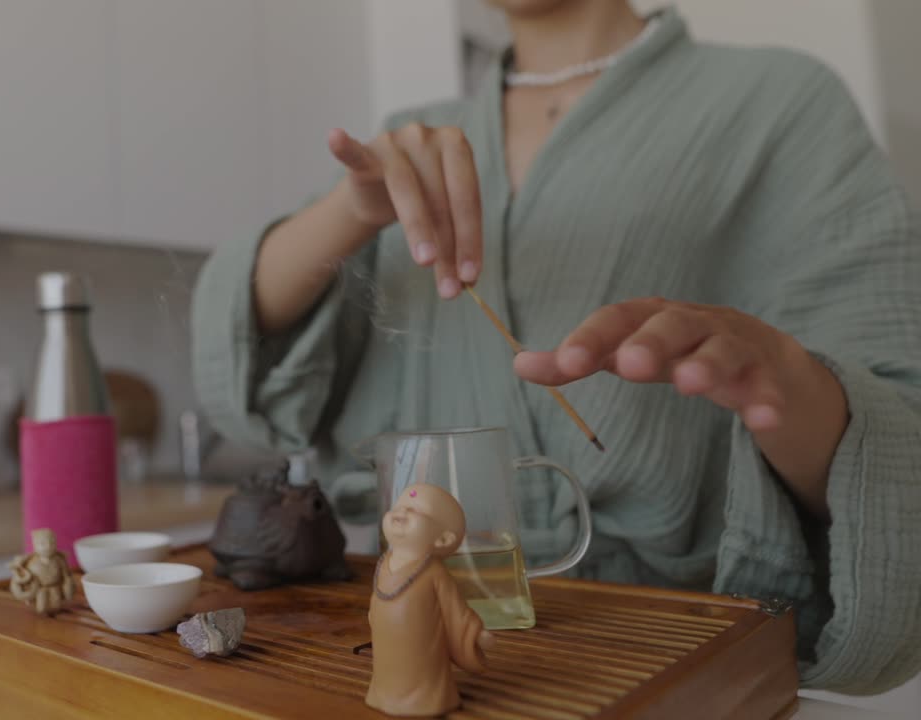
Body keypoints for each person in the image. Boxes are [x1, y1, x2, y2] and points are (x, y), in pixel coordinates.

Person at [191, 0, 921, 694]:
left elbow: (893, 425)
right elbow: (250, 363)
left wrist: (785, 388)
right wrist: (348, 211)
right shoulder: (413, 136)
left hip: (668, 648)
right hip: (418, 628)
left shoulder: (778, 102)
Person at [366, 483, 490, 717]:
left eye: (416, 511)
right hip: (386, 644)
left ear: (442, 539)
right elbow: (379, 596)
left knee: (418, 675)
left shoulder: (434, 572)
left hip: (422, 651)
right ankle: (382, 693)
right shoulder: (384, 563)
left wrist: (474, 633)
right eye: (400, 506)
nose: (401, 513)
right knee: (387, 670)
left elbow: (455, 611)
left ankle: (425, 701)